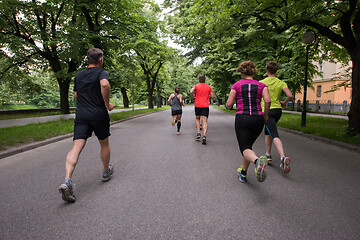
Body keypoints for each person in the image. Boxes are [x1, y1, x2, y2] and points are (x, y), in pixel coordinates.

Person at [58, 48, 114, 202]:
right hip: (98, 114)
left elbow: (76, 95)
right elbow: (104, 85)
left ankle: (67, 180)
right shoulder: (102, 73)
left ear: (88, 59)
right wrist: (107, 104)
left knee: (76, 147)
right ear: (100, 60)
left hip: (82, 115)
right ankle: (105, 171)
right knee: (104, 142)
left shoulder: (79, 75)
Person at [226, 60, 271, 183]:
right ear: (253, 71)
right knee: (248, 147)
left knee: (244, 148)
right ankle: (243, 173)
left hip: (243, 118)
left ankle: (258, 162)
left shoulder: (236, 85)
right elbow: (267, 100)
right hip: (258, 119)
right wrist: (265, 114)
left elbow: (229, 104)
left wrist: (228, 104)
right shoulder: (262, 86)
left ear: (241, 71)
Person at [260, 61, 292, 173]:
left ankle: (283, 157)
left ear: (267, 70)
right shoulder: (281, 82)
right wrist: (284, 102)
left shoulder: (262, 82)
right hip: (278, 110)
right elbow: (289, 95)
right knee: (268, 130)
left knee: (274, 133)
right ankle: (268, 154)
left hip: (267, 111)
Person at [190, 74, 214, 145]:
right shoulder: (208, 87)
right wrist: (207, 96)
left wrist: (193, 96)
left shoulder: (196, 86)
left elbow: (191, 91)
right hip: (205, 106)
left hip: (197, 105)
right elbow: (212, 96)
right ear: (205, 80)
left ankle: (198, 133)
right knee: (205, 121)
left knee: (197, 118)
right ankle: (204, 135)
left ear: (199, 80)